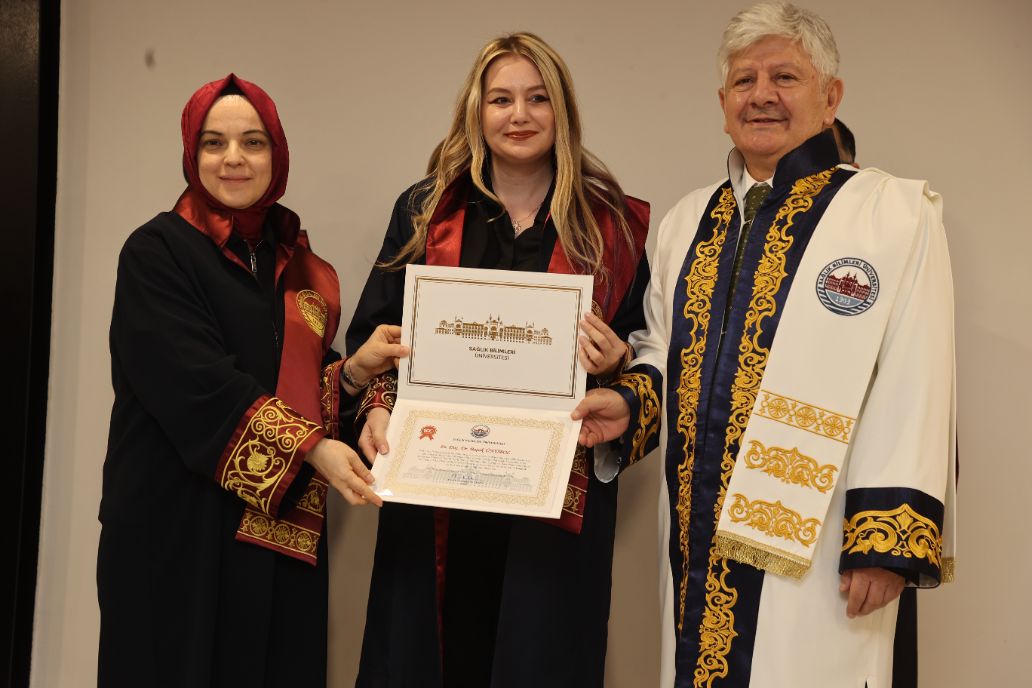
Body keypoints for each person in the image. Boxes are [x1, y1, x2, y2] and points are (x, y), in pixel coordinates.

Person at [573, 3, 956, 686]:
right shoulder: (687, 220)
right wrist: (629, 406)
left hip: (822, 543)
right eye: (744, 81)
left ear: (830, 97)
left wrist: (883, 542)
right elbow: (660, 350)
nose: (762, 95)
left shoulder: (892, 214)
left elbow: (917, 378)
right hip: (695, 531)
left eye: (785, 77)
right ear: (723, 105)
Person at [346, 32, 651, 688]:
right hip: (435, 488)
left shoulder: (612, 224)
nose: (519, 115)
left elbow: (648, 358)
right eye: (501, 99)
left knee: (537, 658)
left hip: (549, 506)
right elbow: (377, 336)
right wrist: (375, 404)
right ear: (476, 111)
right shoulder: (425, 210)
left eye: (538, 99)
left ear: (562, 111)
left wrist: (618, 362)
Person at [97, 74, 406, 687]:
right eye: (213, 143)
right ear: (192, 154)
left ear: (278, 154)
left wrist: (352, 376)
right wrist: (311, 448)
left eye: (253, 142)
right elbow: (197, 383)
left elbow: (298, 386)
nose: (233, 158)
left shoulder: (300, 268)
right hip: (177, 532)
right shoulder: (157, 252)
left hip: (278, 541)